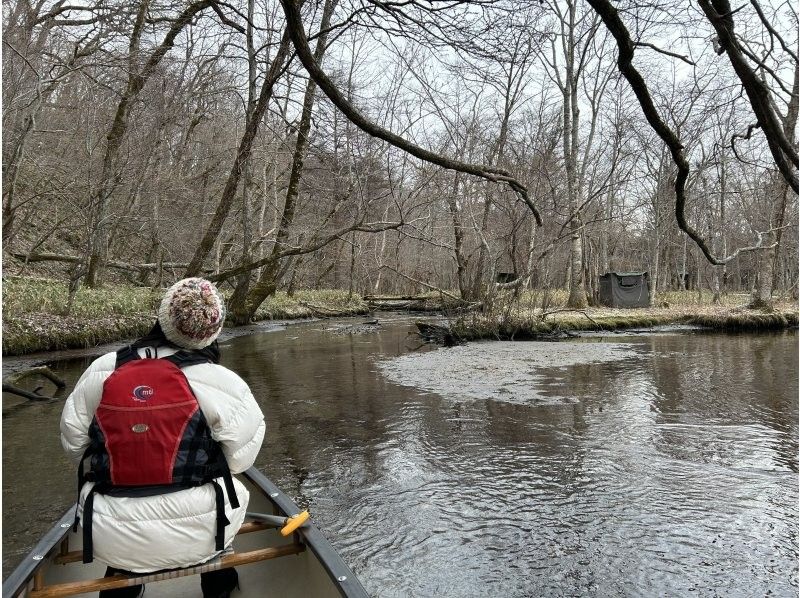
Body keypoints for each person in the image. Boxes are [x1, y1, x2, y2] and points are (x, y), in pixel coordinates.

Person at [60, 278, 265, 598]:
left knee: (109, 512)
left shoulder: (103, 369)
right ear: (212, 331)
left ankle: (123, 576)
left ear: (163, 317)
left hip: (111, 534)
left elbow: (75, 447)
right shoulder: (224, 382)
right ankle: (218, 582)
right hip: (200, 534)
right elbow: (240, 459)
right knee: (231, 486)